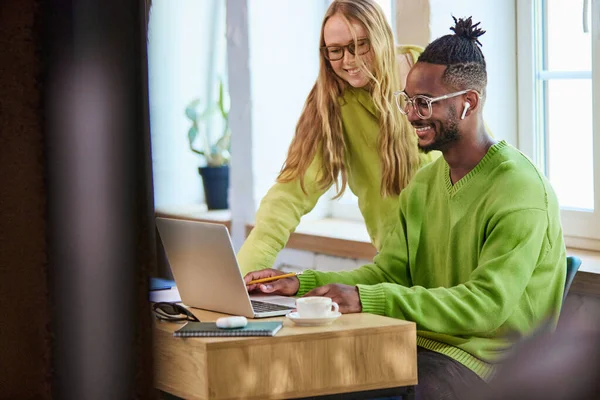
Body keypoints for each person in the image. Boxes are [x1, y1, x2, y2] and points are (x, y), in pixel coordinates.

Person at [244, 16, 567, 400]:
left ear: (469, 103)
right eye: (408, 101)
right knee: (295, 377)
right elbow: (389, 272)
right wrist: (303, 284)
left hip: (487, 364)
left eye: (425, 103)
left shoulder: (520, 190)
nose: (411, 114)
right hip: (418, 343)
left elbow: (486, 306)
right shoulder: (425, 185)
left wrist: (365, 299)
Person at [237, 0, 439, 275]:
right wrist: (244, 276)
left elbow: (478, 158)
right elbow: (290, 193)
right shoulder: (332, 103)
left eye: (359, 45)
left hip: (458, 255)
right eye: (335, 50)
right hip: (399, 268)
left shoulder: (427, 72)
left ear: (379, 35)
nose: (348, 60)